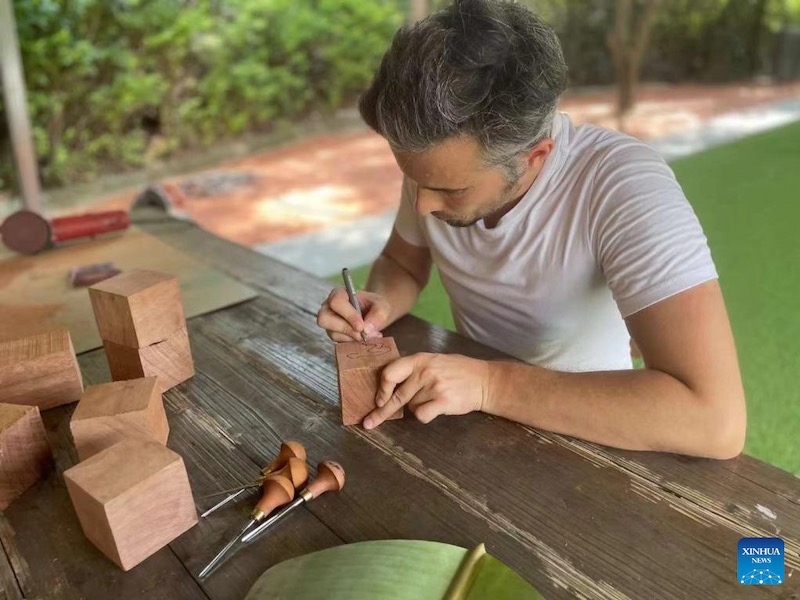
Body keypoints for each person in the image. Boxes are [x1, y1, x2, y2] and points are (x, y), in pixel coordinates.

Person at [316, 0, 746, 459]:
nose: (422, 204)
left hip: (595, 439)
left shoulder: (621, 184)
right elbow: (402, 262)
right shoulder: (435, 166)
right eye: (415, 180)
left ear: (534, 157)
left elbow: (714, 420)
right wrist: (380, 303)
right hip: (473, 424)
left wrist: (489, 383)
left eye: (449, 190)